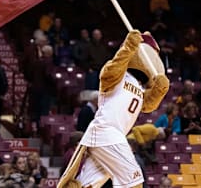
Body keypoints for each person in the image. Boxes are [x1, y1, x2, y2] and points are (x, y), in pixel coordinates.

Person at [58, 30, 169, 188]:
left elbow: (148, 106)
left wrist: (159, 90)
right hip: (107, 131)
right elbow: (107, 74)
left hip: (112, 137)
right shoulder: (120, 75)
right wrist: (128, 49)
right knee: (134, 180)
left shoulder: (140, 87)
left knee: (86, 184)